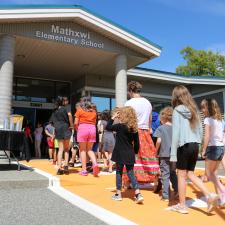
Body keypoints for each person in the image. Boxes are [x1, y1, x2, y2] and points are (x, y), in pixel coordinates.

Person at [169, 85, 219, 214]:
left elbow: (175, 133)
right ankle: (209, 195)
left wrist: (173, 154)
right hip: (194, 145)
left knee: (181, 175)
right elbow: (201, 130)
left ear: (176, 96)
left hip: (184, 146)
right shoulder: (194, 111)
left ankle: (182, 206)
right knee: (190, 173)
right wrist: (201, 146)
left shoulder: (177, 110)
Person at [124, 81, 159, 185]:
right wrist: (148, 128)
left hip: (132, 131)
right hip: (145, 132)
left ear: (130, 90)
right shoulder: (147, 102)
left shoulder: (129, 103)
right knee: (148, 156)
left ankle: (127, 181)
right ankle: (155, 178)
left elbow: (126, 120)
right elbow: (150, 118)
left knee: (130, 157)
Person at [106, 106, 144, 203]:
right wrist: (135, 152)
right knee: (131, 173)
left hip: (119, 153)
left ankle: (118, 194)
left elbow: (108, 127)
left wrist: (113, 117)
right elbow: (137, 144)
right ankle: (138, 193)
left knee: (119, 172)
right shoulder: (134, 129)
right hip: (129, 153)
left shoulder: (120, 126)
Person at [200, 98, 225, 206]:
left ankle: (223, 191)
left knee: (209, 174)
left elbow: (207, 136)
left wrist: (204, 149)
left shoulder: (207, 120)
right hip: (220, 147)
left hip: (213, 147)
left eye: (203, 107)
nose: (202, 110)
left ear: (209, 108)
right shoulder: (221, 120)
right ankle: (221, 197)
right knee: (214, 173)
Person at [154, 106, 178, 201]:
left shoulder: (161, 128)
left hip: (164, 155)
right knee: (173, 173)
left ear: (162, 118)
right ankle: (177, 190)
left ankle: (165, 195)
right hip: (174, 155)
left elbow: (159, 141)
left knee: (165, 174)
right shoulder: (176, 128)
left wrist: (156, 151)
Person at [74, 99, 99, 176]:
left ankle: (84, 170)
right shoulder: (94, 112)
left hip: (82, 128)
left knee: (82, 150)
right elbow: (95, 123)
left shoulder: (79, 111)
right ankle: (95, 164)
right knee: (89, 149)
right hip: (92, 129)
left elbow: (75, 123)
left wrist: (77, 129)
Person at [51, 96, 73, 175]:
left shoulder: (55, 110)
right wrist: (72, 125)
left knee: (60, 149)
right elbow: (70, 115)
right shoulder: (67, 107)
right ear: (63, 102)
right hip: (66, 127)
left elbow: (52, 122)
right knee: (66, 149)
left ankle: (59, 168)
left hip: (58, 129)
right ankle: (66, 166)